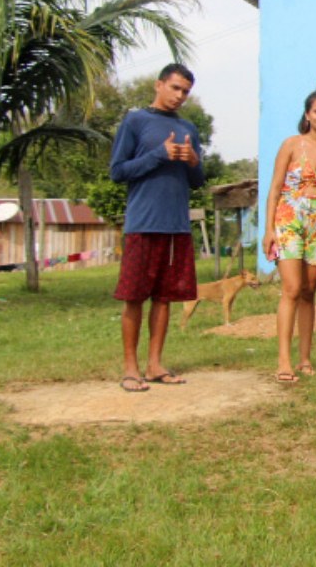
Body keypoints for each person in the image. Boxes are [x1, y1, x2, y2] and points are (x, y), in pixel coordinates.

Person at [110, 63, 205, 392]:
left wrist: (193, 161)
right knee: (134, 297)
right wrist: (159, 154)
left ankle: (154, 364)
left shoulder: (189, 128)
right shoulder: (135, 121)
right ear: (159, 85)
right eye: (175, 88)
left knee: (164, 298)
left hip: (176, 226)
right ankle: (130, 368)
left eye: (185, 92)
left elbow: (197, 181)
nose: (180, 96)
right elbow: (118, 171)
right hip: (142, 224)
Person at [262, 88, 316, 383]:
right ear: (308, 114)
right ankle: (284, 360)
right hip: (289, 219)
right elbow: (274, 189)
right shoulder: (291, 145)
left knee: (310, 291)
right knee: (291, 287)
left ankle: (304, 358)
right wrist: (268, 231)